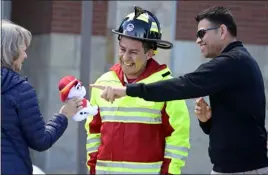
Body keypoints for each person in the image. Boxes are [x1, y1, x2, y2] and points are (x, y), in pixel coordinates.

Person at [90, 6, 268, 174]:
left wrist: (128, 90)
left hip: (243, 169)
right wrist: (208, 121)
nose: (198, 40)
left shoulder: (232, 62)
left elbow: (184, 84)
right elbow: (239, 122)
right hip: (236, 167)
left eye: (201, 33)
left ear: (222, 31)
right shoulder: (236, 64)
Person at [85, 6, 191, 175]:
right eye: (122, 49)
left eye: (133, 52)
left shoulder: (167, 88)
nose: (125, 57)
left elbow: (178, 139)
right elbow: (93, 134)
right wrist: (93, 170)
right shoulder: (103, 83)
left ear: (150, 53)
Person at [1, 20, 83, 175]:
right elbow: (40, 141)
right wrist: (64, 114)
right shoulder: (20, 90)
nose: (25, 56)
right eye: (23, 50)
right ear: (10, 52)